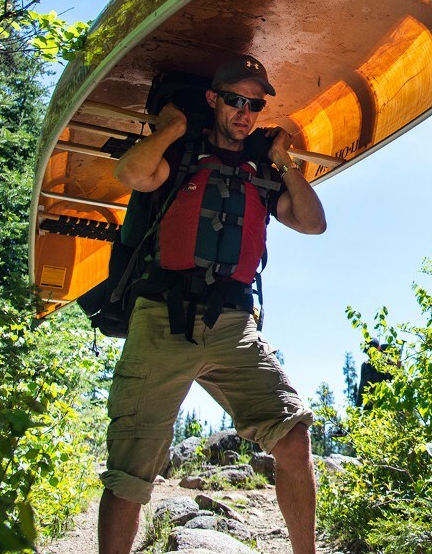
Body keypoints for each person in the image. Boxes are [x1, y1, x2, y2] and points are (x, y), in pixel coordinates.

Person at [98, 54, 327, 554]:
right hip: (162, 320)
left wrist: (285, 160)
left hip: (233, 328)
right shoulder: (181, 156)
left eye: (255, 104)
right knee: (131, 473)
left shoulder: (263, 174)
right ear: (213, 99)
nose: (244, 111)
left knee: (293, 439)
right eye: (234, 100)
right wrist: (172, 128)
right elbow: (132, 174)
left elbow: (313, 222)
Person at [354, 338, 395, 410]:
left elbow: (394, 381)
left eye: (371, 351)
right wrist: (357, 407)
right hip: (369, 404)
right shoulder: (365, 366)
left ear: (378, 348)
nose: (369, 354)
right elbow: (361, 386)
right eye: (367, 352)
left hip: (386, 404)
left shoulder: (388, 363)